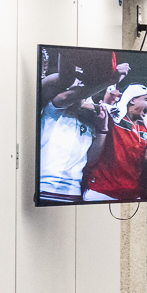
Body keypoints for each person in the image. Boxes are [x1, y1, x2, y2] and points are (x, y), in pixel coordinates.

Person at [81, 84, 147, 202]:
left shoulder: (145, 129)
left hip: (132, 195)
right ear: (132, 100)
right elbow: (84, 106)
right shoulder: (113, 115)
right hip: (101, 191)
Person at [36, 60, 98, 202]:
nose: (80, 84)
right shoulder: (52, 110)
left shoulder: (89, 121)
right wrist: (108, 81)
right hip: (45, 188)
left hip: (74, 193)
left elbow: (91, 160)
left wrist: (103, 130)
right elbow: (67, 96)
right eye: (77, 80)